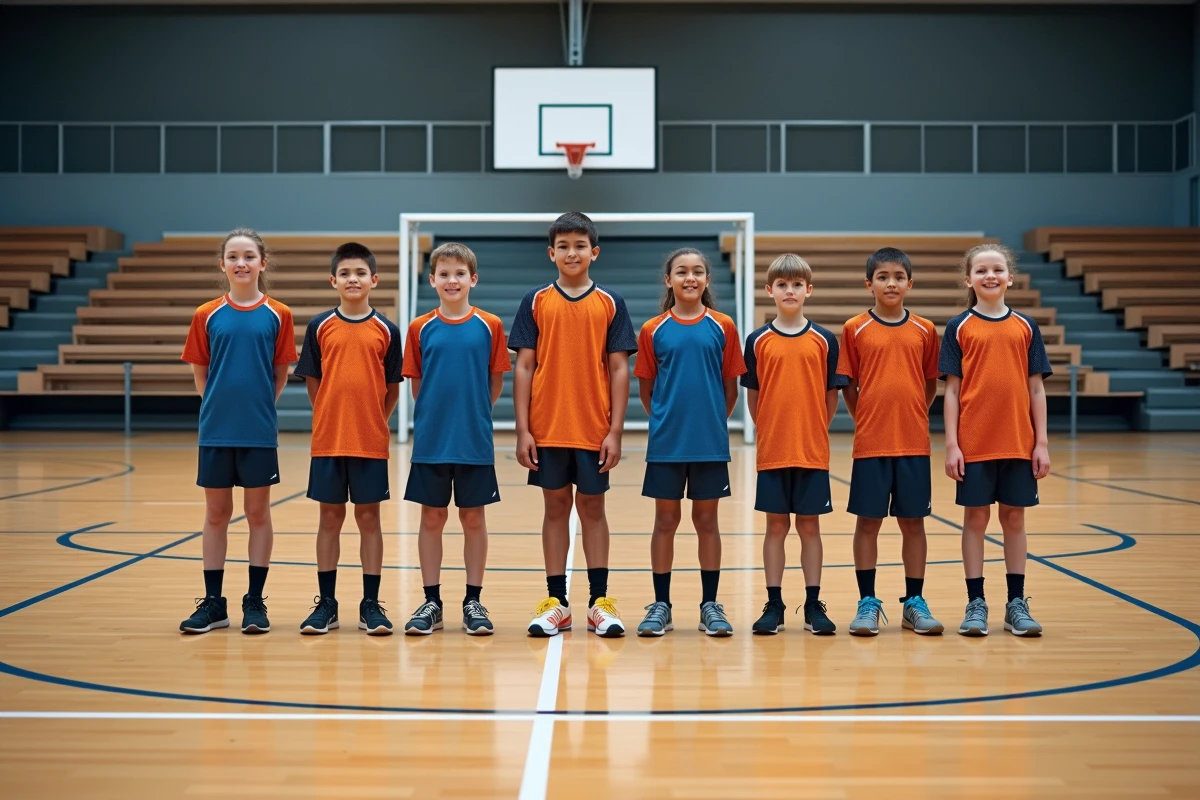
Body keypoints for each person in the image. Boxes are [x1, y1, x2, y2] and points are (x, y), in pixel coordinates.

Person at [510, 212, 638, 638]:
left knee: (594, 510)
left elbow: (619, 369)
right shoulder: (534, 301)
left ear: (594, 252)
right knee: (555, 510)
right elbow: (524, 366)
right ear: (551, 253)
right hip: (547, 428)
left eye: (580, 246)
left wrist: (615, 431)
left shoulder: (611, 302)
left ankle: (599, 603)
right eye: (563, 246)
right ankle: (557, 604)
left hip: (593, 428)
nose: (571, 253)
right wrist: (523, 429)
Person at [179, 228, 296, 635]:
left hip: (258, 432)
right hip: (215, 431)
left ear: (263, 263)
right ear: (223, 264)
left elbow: (280, 374)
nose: (241, 263)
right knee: (216, 514)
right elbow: (201, 373)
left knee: (258, 514)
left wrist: (257, 408)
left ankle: (255, 602)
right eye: (233, 257)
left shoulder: (278, 314)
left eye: (249, 256)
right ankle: (214, 604)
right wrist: (219, 409)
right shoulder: (206, 314)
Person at [941, 243, 1052, 637]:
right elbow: (952, 391)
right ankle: (976, 603)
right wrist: (952, 444)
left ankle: (1016, 604)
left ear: (1010, 277)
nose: (990, 276)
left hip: (1018, 443)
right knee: (975, 520)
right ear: (968, 279)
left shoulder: (1026, 326)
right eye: (981, 270)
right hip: (974, 445)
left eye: (998, 269)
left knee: (1015, 519)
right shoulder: (958, 327)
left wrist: (1041, 443)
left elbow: (1036, 389)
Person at [634, 247, 746, 638]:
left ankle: (709, 605)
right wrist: (668, 421)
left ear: (707, 280)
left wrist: (710, 422)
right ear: (669, 280)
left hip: (709, 444)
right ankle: (661, 605)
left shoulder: (723, 326)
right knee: (665, 521)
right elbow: (647, 391)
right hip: (666, 444)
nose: (690, 278)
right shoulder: (653, 330)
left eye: (698, 271)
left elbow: (730, 390)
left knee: (706, 521)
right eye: (681, 271)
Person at [401, 242, 511, 636]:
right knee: (431, 518)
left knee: (473, 518)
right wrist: (437, 415)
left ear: (473, 279)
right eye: (444, 274)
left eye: (459, 273)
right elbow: (417, 384)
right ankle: (431, 601)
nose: (452, 280)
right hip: (432, 441)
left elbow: (495, 381)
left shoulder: (490, 325)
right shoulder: (420, 327)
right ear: (432, 280)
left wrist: (472, 412)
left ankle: (473, 601)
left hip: (473, 440)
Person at [294, 242, 402, 636]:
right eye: (345, 273)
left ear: (374, 279)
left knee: (369, 519)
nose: (352, 279)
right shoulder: (319, 326)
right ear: (333, 280)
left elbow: (392, 387)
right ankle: (327, 604)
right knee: (329, 518)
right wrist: (329, 415)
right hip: (329, 440)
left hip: (369, 442)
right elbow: (313, 382)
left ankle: (370, 604)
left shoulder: (387, 330)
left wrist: (373, 421)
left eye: (360, 273)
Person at [838, 247, 944, 636]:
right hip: (871, 444)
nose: (891, 283)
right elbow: (848, 385)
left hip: (913, 444)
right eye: (883, 277)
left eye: (899, 277)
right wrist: (868, 417)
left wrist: (912, 413)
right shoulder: (854, 328)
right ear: (869, 284)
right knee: (868, 523)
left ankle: (914, 602)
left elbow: (930, 384)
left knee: (913, 523)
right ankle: (867, 602)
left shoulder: (925, 330)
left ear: (910, 284)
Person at [742, 253, 847, 636]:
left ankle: (813, 603)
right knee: (775, 527)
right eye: (783, 285)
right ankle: (774, 603)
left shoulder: (824, 340)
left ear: (809, 290)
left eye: (797, 284)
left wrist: (812, 428)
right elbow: (754, 397)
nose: (790, 291)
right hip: (773, 451)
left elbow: (831, 395)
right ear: (769, 290)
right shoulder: (757, 341)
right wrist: (772, 429)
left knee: (809, 527)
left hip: (811, 451)